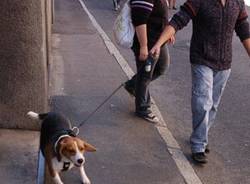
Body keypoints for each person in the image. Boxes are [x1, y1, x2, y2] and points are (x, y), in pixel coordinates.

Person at [150, 0, 250, 163]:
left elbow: (244, 30)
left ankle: (200, 135)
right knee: (203, 101)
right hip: (201, 59)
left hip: (224, 63)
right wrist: (158, 44)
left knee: (213, 105)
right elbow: (178, 20)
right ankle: (198, 145)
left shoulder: (237, 2)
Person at [124, 0, 174, 123]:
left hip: (158, 40)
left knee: (162, 66)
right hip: (148, 42)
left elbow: (161, 13)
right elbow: (140, 20)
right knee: (145, 75)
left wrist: (168, 31)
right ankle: (142, 108)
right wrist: (143, 46)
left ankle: (133, 85)